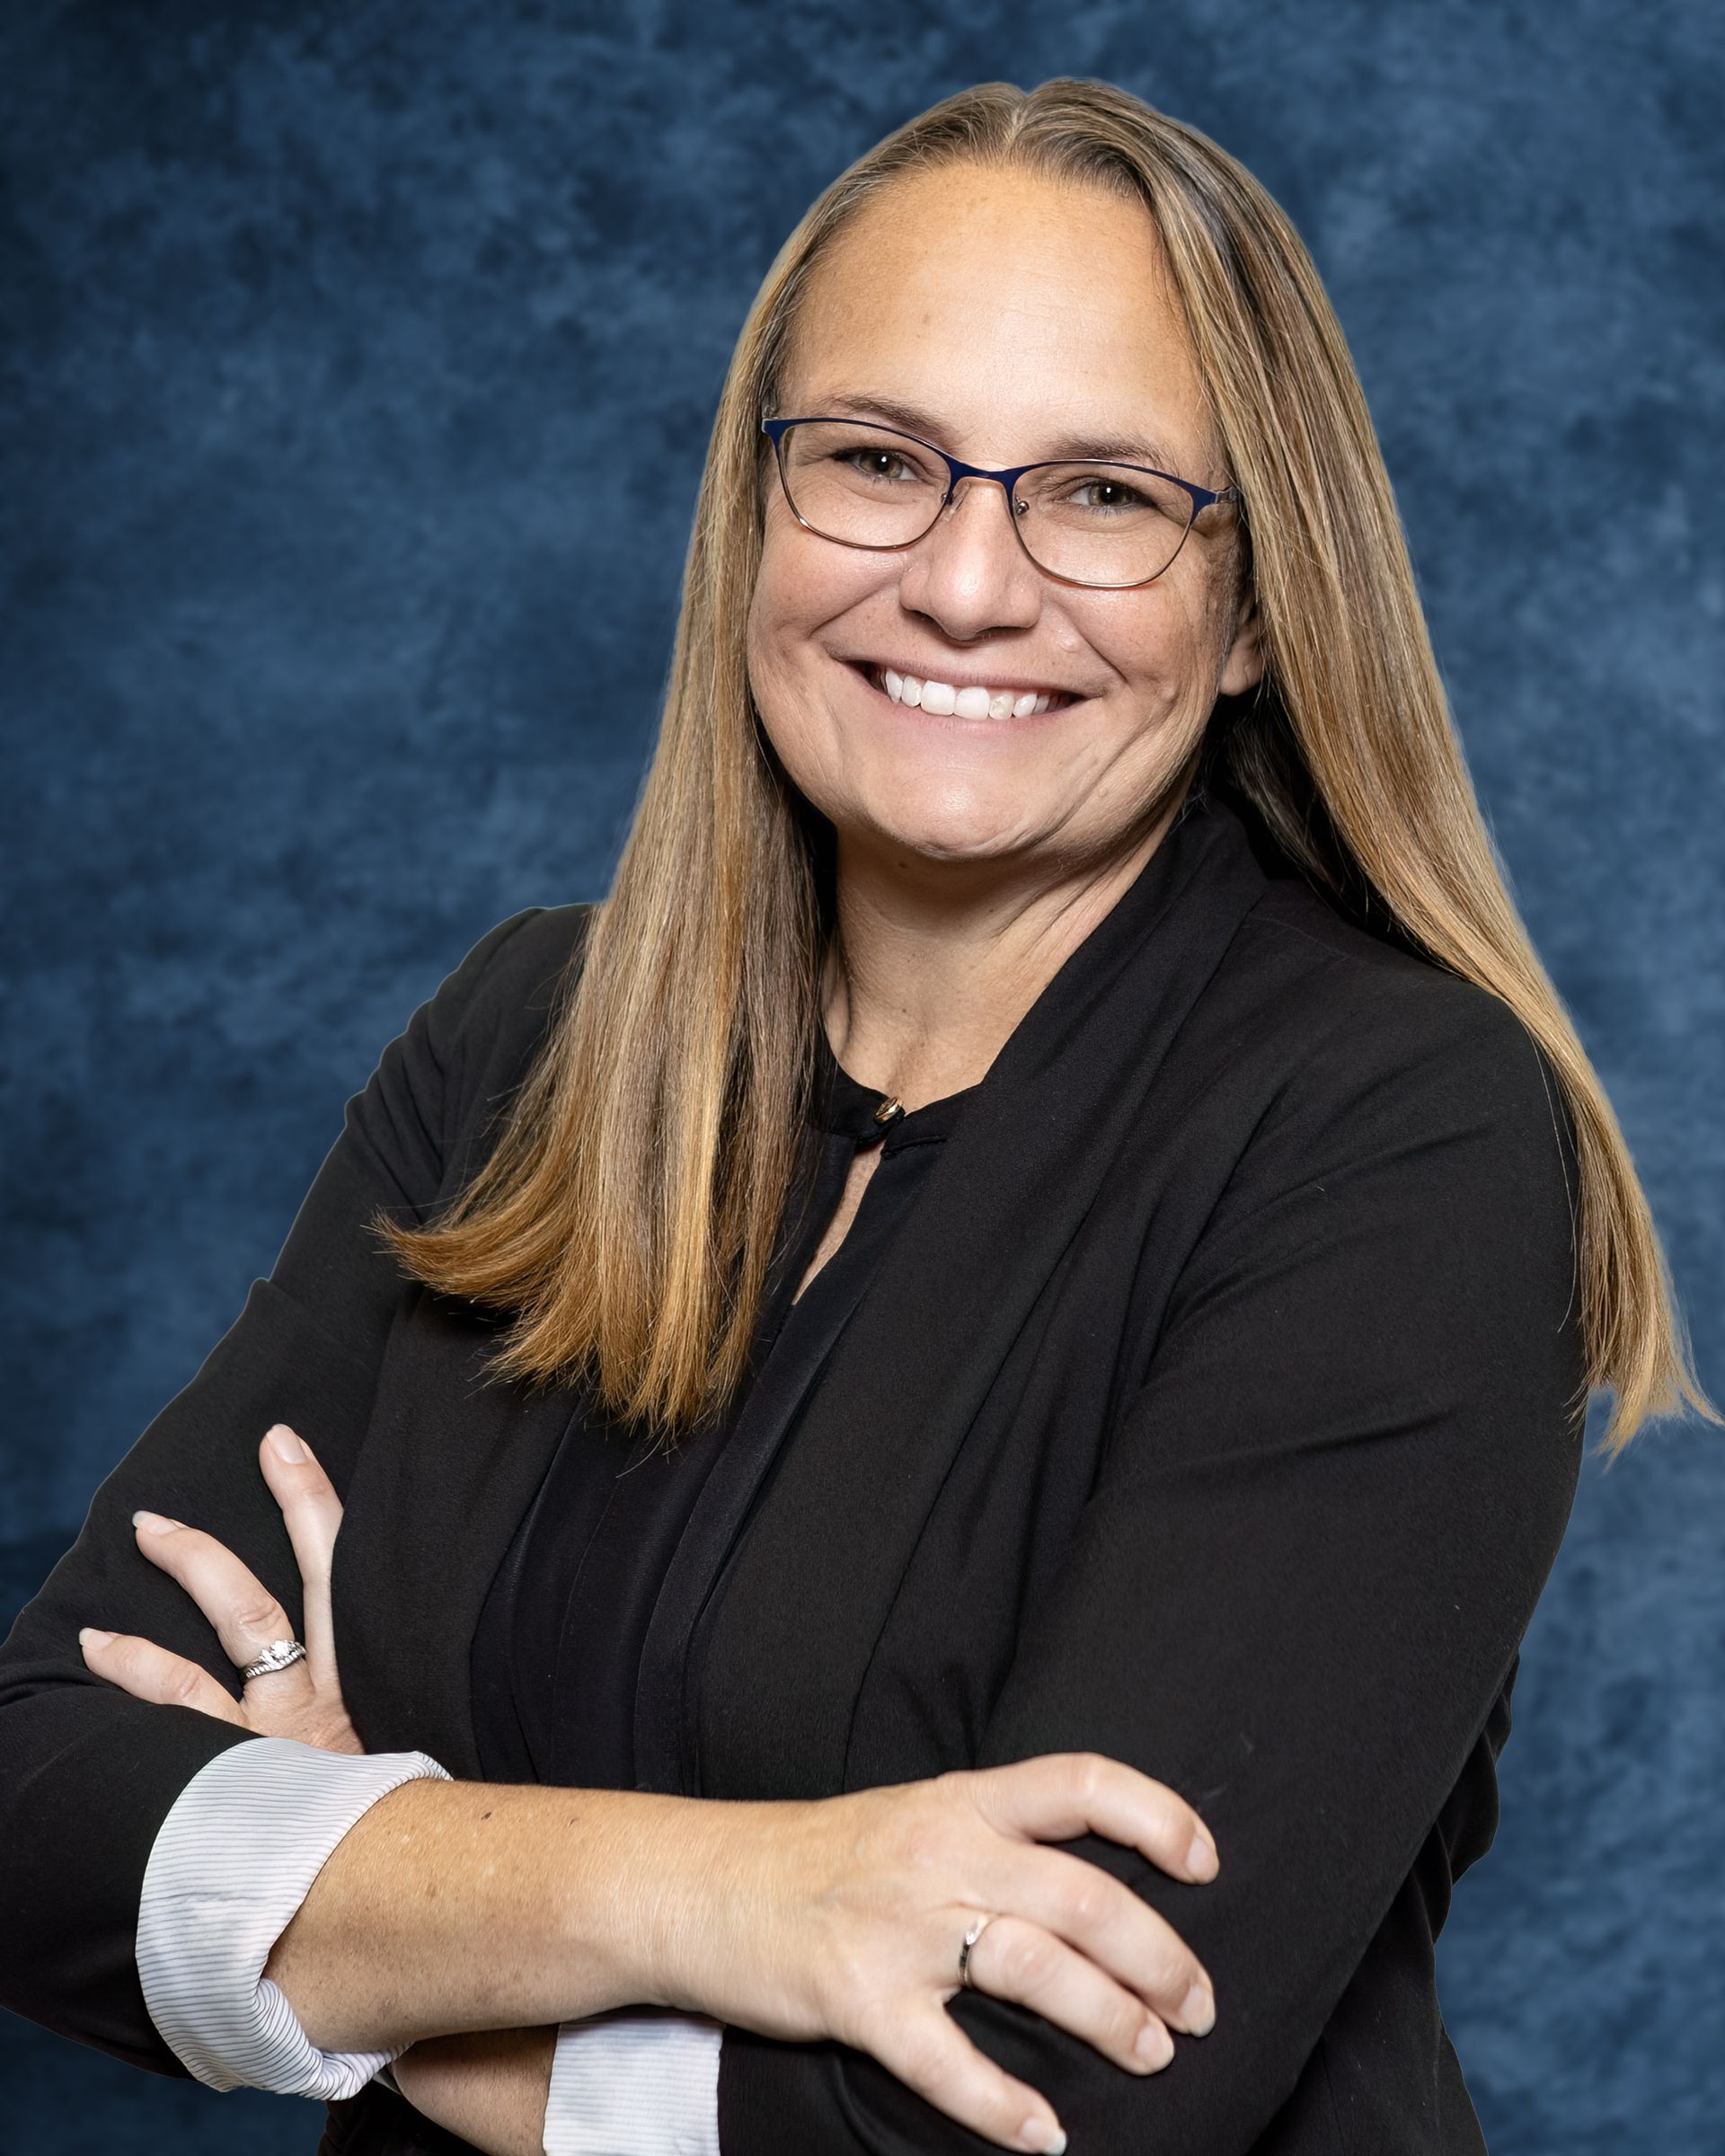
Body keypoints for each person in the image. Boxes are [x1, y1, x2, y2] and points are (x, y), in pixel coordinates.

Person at [0, 75, 1712, 2156]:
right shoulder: (524, 1044)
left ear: (1257, 604)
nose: (970, 587)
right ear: (756, 515)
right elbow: (40, 1812)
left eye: (1101, 496)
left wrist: (364, 1931)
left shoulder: (1399, 1138)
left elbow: (1050, 2103)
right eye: (880, 464)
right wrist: (757, 1901)